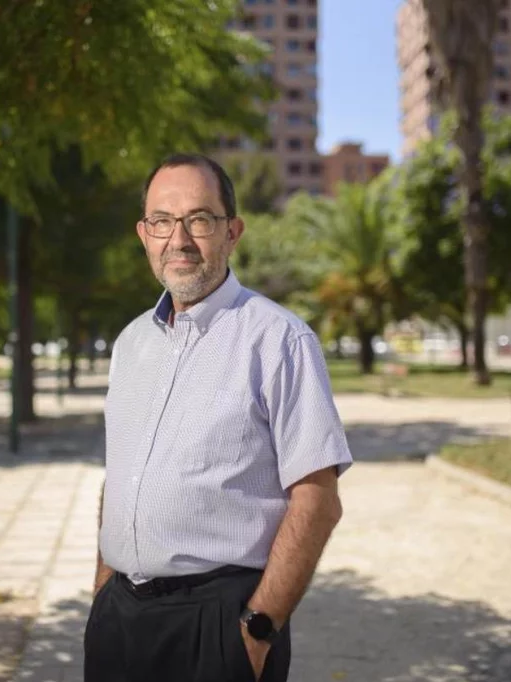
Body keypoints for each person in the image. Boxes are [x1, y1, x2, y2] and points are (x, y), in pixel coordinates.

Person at [85, 153, 353, 682]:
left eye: (199, 220)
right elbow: (120, 481)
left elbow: (318, 500)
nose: (178, 239)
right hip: (119, 620)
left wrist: (257, 632)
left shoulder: (279, 340)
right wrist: (100, 597)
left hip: (219, 625)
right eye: (162, 221)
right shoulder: (130, 343)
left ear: (232, 231)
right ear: (144, 233)